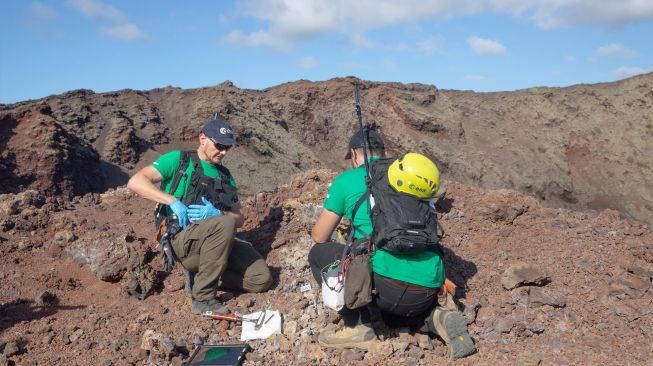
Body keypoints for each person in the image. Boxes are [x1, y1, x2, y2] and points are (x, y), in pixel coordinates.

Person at [308, 125, 475, 360]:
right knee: (398, 315)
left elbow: (320, 236)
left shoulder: (346, 181)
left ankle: (358, 326)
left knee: (318, 253)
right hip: (427, 288)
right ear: (385, 153)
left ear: (354, 155)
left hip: (384, 288)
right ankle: (437, 317)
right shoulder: (413, 177)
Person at [127, 116, 272, 315]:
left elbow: (239, 219)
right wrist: (172, 201)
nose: (223, 152)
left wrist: (219, 213)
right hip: (182, 239)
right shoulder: (179, 160)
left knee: (261, 278)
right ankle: (203, 298)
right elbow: (136, 181)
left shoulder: (225, 175)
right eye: (219, 145)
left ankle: (203, 276)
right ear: (202, 138)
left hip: (218, 240)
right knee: (224, 224)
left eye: (227, 148)